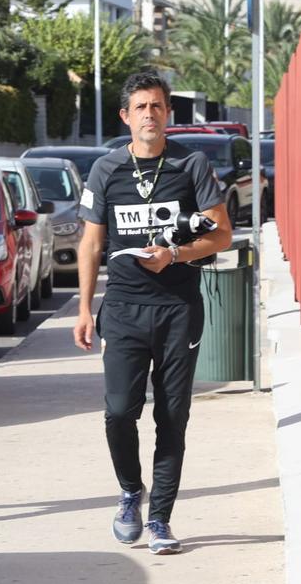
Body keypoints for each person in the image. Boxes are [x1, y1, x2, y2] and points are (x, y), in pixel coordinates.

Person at [73, 71, 232, 554]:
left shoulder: (191, 165)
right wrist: (83, 309)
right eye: (141, 107)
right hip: (122, 308)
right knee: (120, 410)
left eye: (157, 106)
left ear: (168, 114)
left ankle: (160, 518)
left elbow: (221, 234)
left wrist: (176, 255)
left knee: (173, 414)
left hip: (178, 308)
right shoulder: (106, 170)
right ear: (126, 116)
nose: (149, 115)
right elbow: (91, 241)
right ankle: (129, 492)